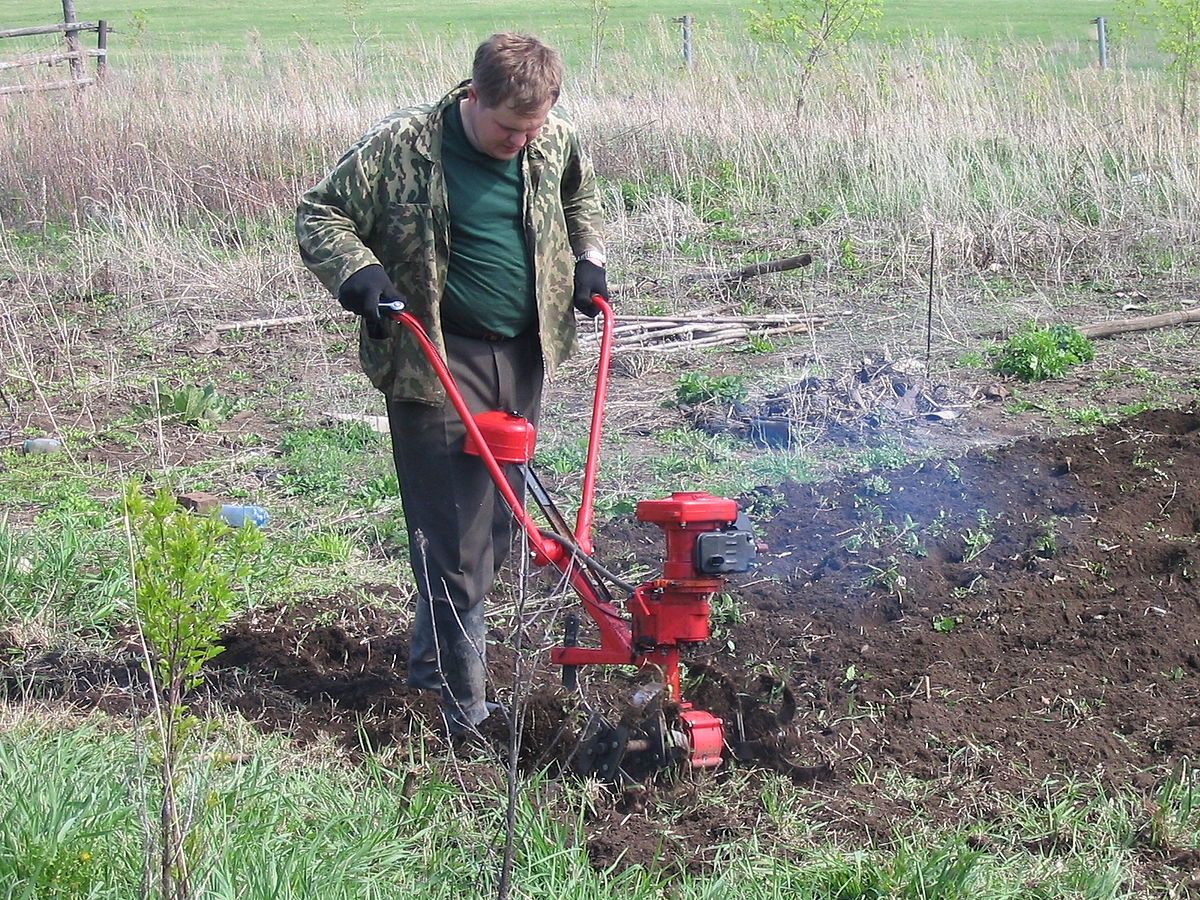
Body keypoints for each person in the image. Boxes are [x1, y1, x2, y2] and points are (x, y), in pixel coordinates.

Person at [295, 33, 608, 741]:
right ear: (474, 97)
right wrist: (358, 275)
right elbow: (318, 212)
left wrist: (588, 258)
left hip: (523, 353)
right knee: (456, 540)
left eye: (531, 129)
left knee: (498, 528)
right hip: (434, 354)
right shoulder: (405, 145)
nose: (519, 141)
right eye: (506, 128)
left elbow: (577, 195)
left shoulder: (551, 138)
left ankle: (430, 667)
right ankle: (466, 715)